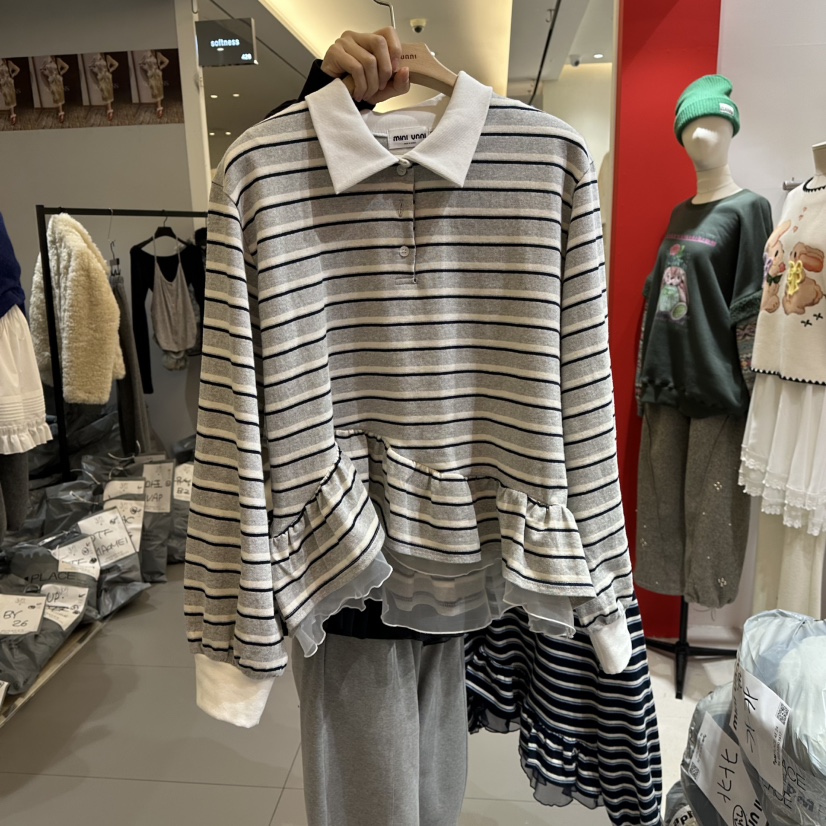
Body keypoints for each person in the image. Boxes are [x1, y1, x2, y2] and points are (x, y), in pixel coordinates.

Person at [139, 50, 169, 119]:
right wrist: (147, 68)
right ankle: (158, 106)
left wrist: (160, 67)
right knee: (154, 91)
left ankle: (159, 108)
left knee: (159, 91)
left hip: (157, 75)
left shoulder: (158, 54)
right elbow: (140, 63)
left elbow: (166, 61)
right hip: (151, 75)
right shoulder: (146, 54)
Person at [89, 52, 119, 121]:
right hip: (101, 78)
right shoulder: (95, 57)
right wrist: (97, 72)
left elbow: (116, 64)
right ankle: (109, 109)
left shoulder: (107, 56)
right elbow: (90, 66)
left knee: (108, 94)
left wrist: (110, 70)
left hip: (107, 77)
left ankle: (110, 110)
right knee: (105, 94)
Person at [40, 55, 70, 123]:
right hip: (52, 80)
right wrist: (48, 74)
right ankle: (60, 112)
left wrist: (60, 73)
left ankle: (61, 113)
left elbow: (66, 67)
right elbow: (41, 69)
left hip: (58, 80)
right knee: (56, 96)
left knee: (60, 96)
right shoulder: (46, 60)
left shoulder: (58, 60)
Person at [0, 58, 20, 126]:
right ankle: (11, 114)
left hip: (9, 83)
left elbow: (17, 69)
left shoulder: (8, 62)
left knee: (10, 99)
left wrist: (12, 75)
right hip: (2, 84)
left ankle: (13, 116)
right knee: (7, 100)